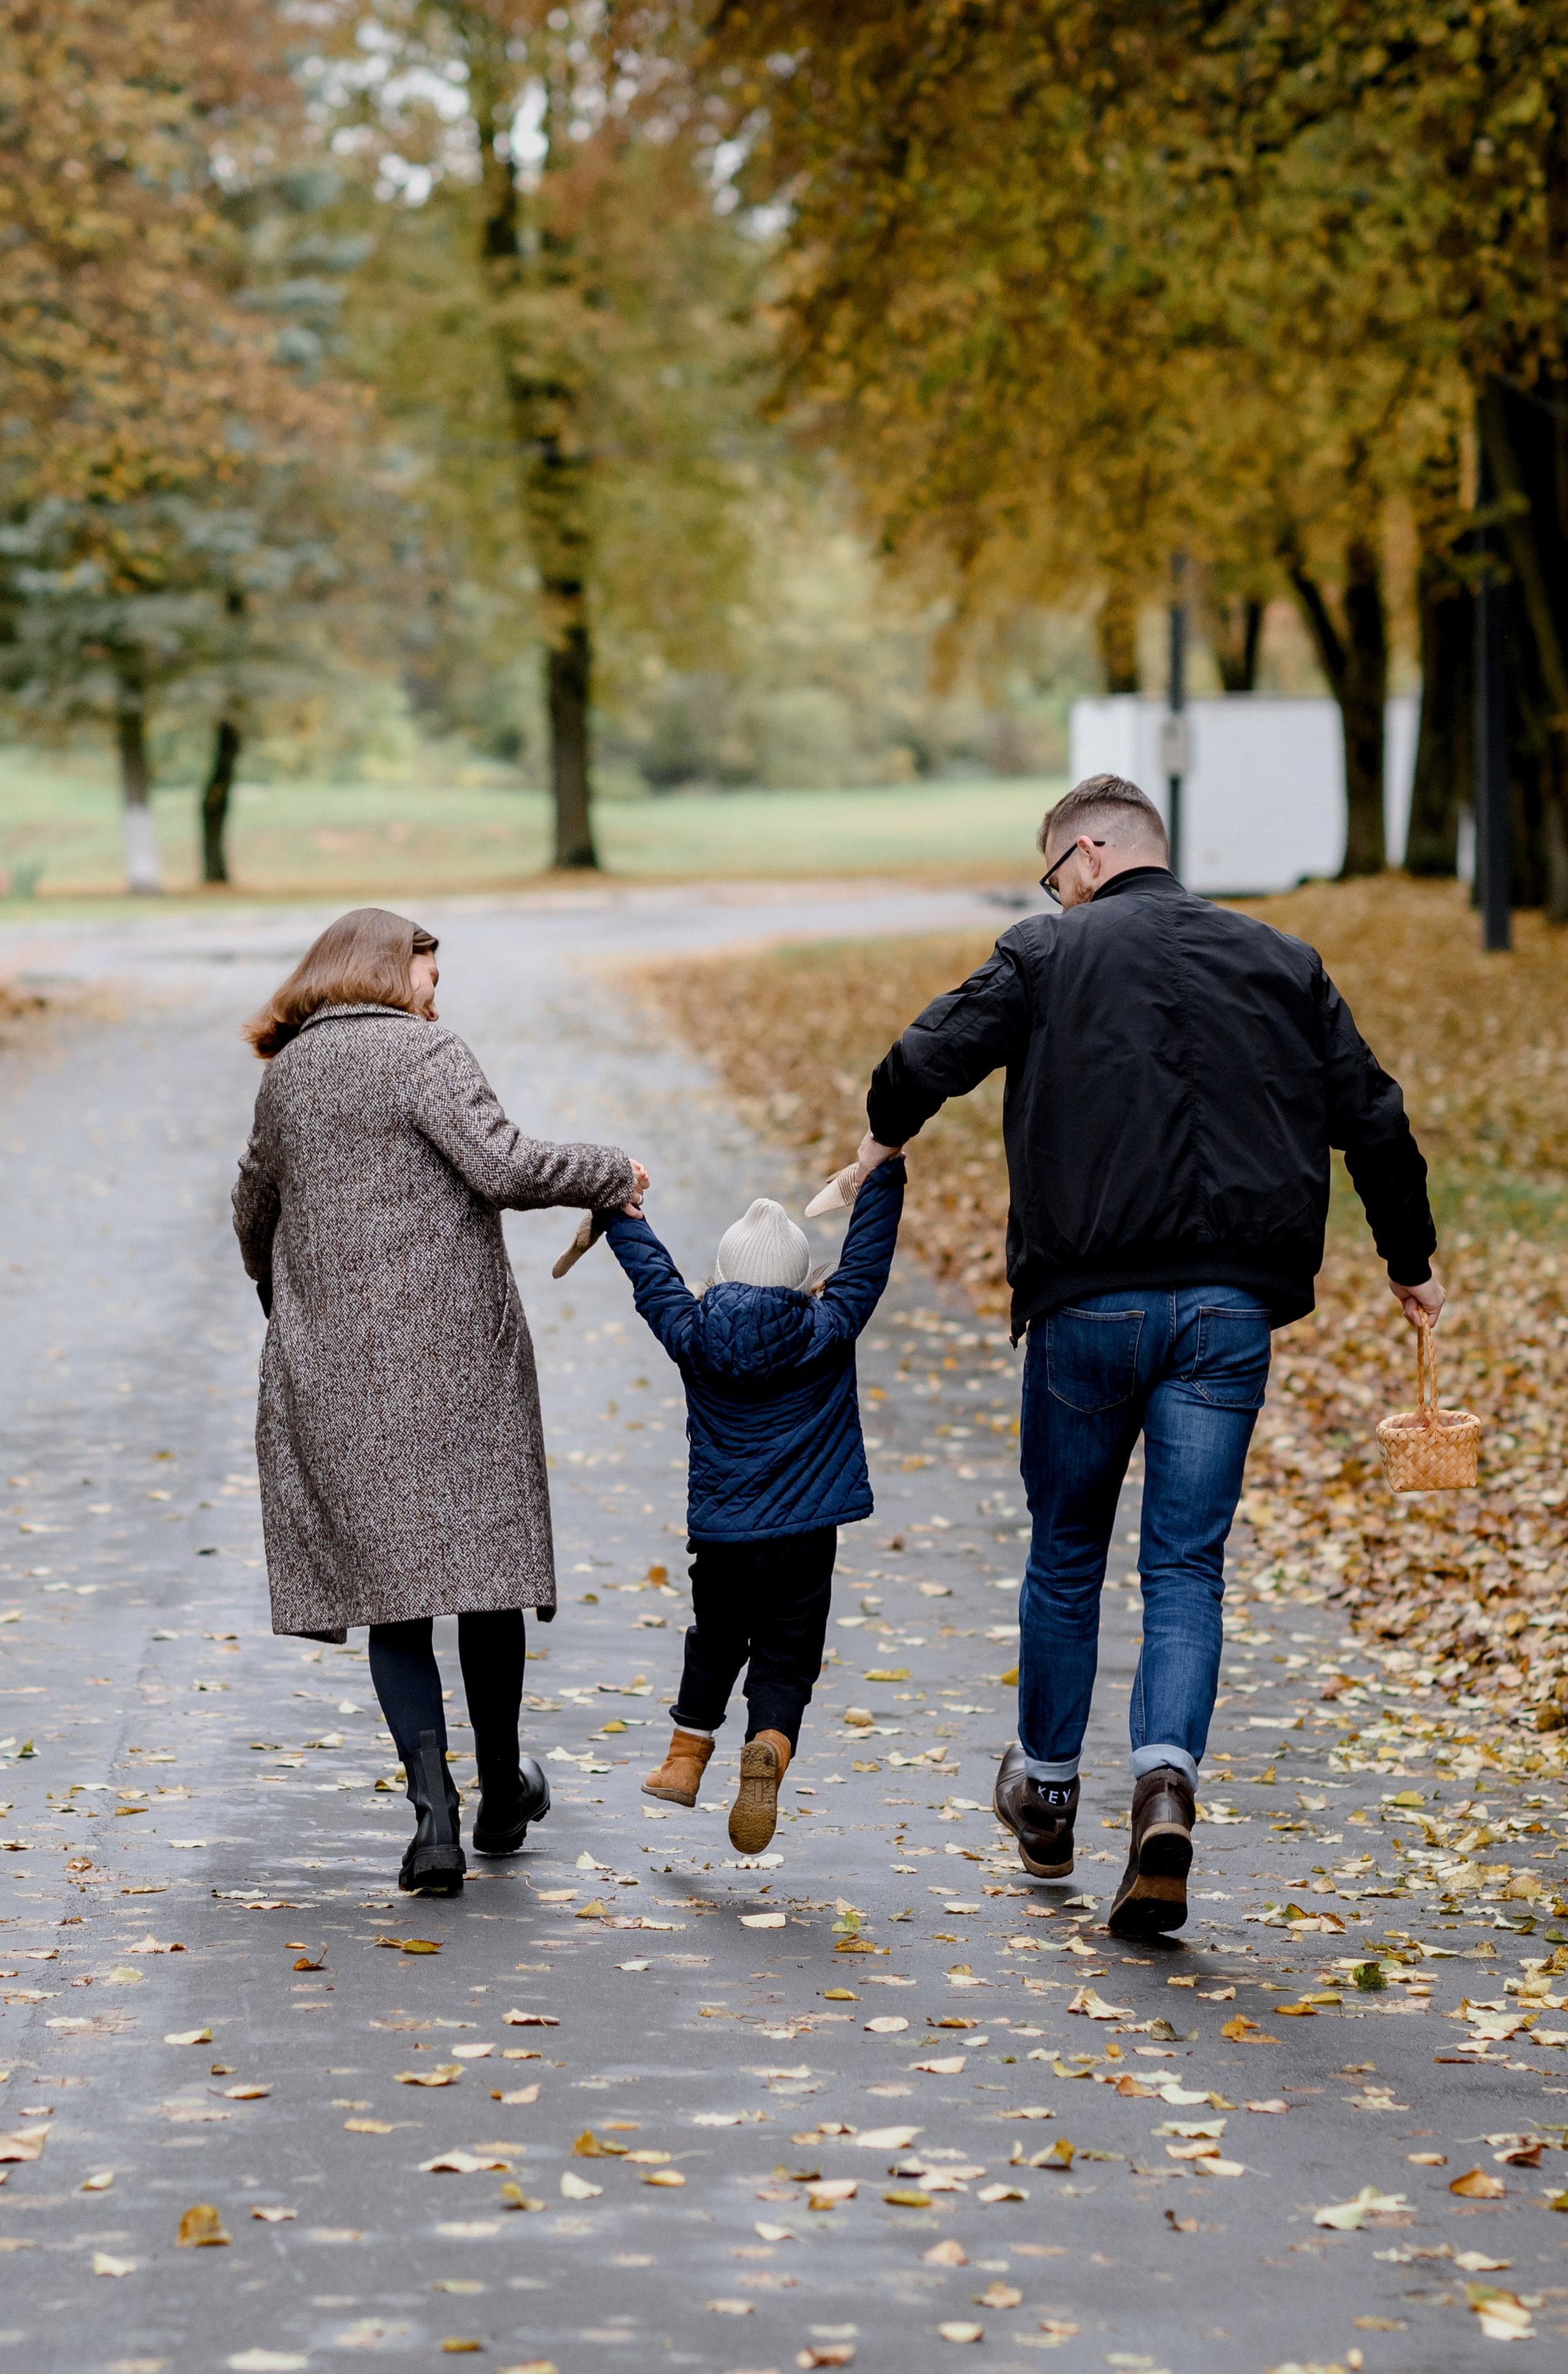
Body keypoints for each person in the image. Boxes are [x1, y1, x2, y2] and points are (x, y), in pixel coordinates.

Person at [857, 774, 1442, 1938]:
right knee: (1186, 1565)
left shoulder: (1044, 955)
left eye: (1052, 875)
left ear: (1087, 851)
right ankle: (1164, 1784)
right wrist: (1408, 1260)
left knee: (1069, 1550)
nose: (1055, 895)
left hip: (1088, 1306)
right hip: (1229, 1312)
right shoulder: (1285, 960)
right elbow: (1372, 1114)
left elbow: (924, 1057)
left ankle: (1050, 1787)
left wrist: (884, 1132)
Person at [231, 907, 648, 1898]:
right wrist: (611, 1169)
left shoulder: (287, 1076)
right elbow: (503, 1164)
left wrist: (293, 1305)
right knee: (484, 1575)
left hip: (336, 1368)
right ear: (383, 969)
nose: (435, 991)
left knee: (396, 1599)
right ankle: (503, 1788)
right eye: (427, 970)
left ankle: (435, 1819)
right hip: (459, 1362)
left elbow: (253, 1210)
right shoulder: (425, 1055)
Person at [597, 1163, 907, 1852]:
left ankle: (684, 1759)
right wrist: (883, 1176)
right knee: (786, 1657)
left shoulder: (694, 1333)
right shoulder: (828, 1326)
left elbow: (654, 1280)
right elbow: (867, 1261)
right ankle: (767, 1742)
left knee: (715, 1638)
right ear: (800, 1279)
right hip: (803, 1536)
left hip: (723, 1534)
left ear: (724, 1274)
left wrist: (619, 1213)